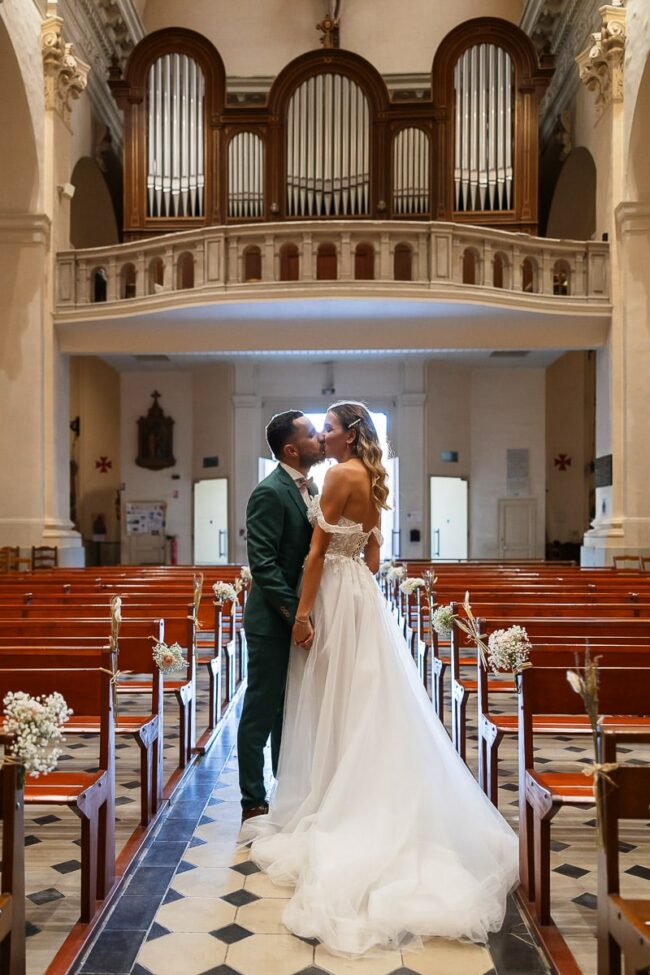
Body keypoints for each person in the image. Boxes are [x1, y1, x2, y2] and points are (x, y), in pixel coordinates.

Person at [241, 400, 519, 956]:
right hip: (360, 600)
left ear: (348, 434)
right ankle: (286, 793)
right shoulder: (369, 477)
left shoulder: (338, 475)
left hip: (328, 598)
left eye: (329, 428)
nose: (323, 435)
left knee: (327, 694)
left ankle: (322, 794)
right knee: (359, 695)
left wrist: (304, 611)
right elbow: (372, 556)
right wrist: (338, 584)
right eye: (316, 431)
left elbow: (318, 551)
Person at [238, 410, 324, 821]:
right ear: (291, 449)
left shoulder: (312, 488)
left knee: (290, 710)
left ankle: (286, 787)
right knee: (262, 708)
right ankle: (252, 800)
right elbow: (265, 566)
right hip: (273, 621)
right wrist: (296, 615)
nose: (321, 438)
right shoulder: (269, 492)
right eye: (312, 434)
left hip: (300, 617)